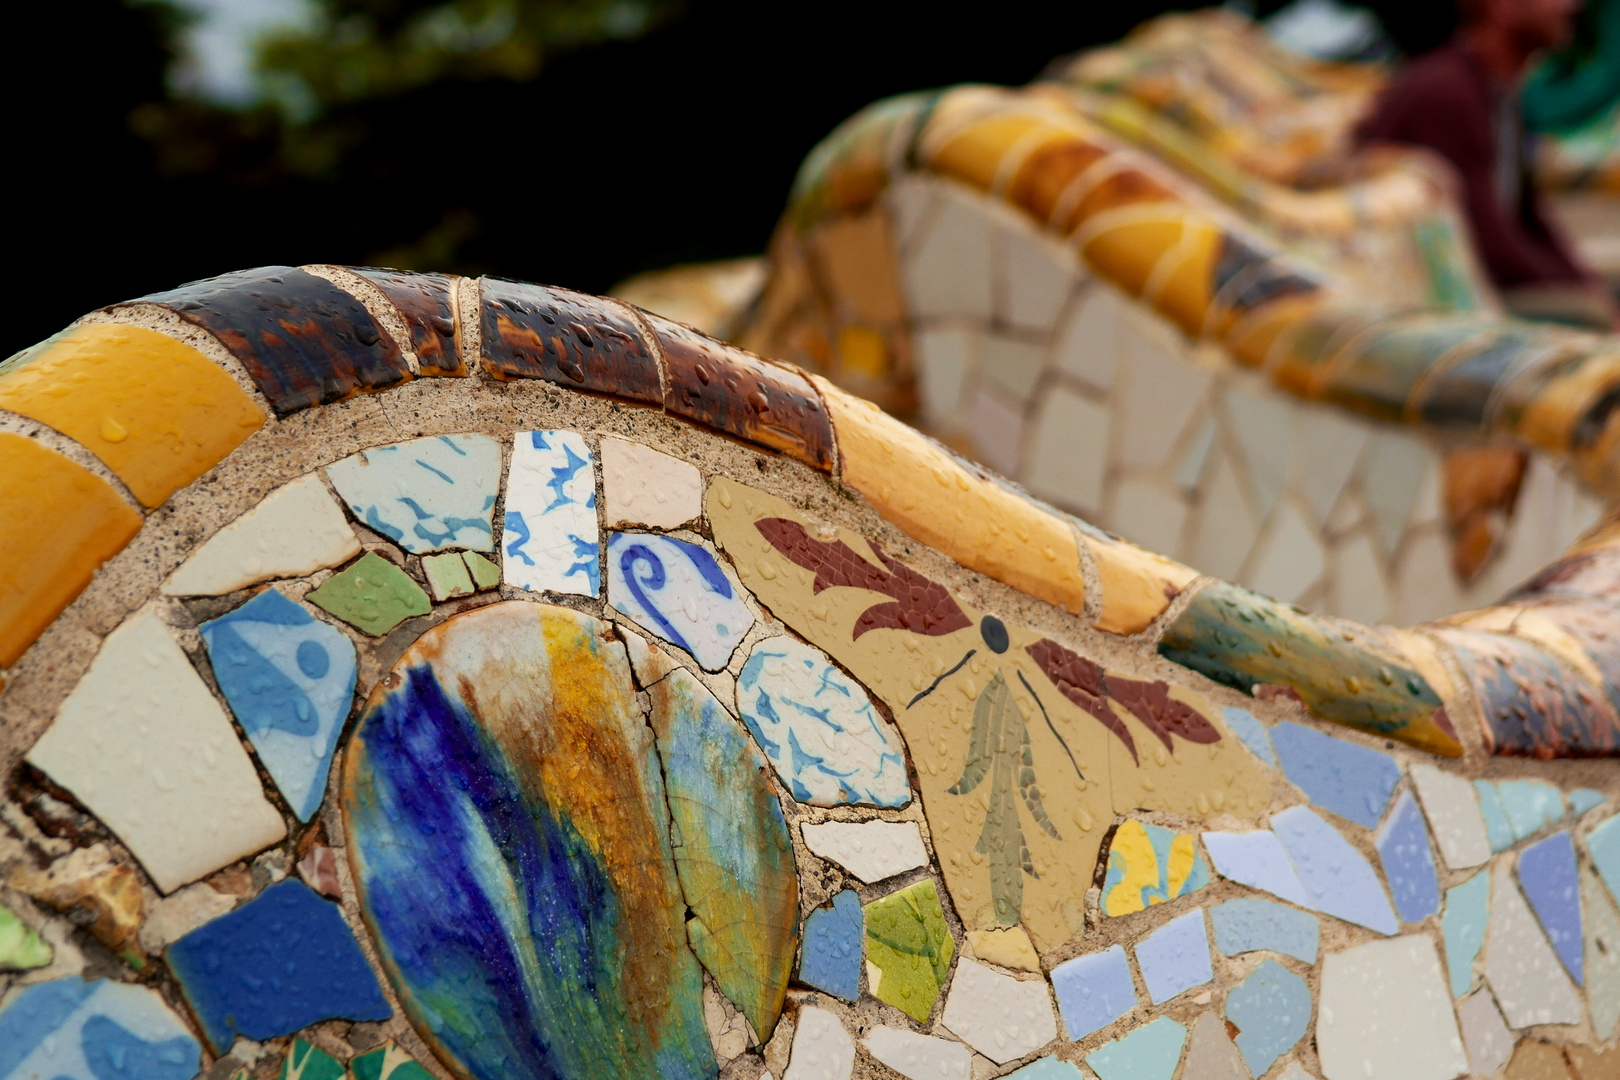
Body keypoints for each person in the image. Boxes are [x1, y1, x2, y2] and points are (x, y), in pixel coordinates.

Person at [1357, 0, 1619, 327]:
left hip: (1481, 284)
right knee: (1588, 316)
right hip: (1434, 305)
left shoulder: (1496, 88)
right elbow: (1489, 240)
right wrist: (1593, 303)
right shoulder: (1448, 91)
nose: (1570, 6)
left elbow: (1529, 216)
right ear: (1502, 6)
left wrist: (1588, 286)